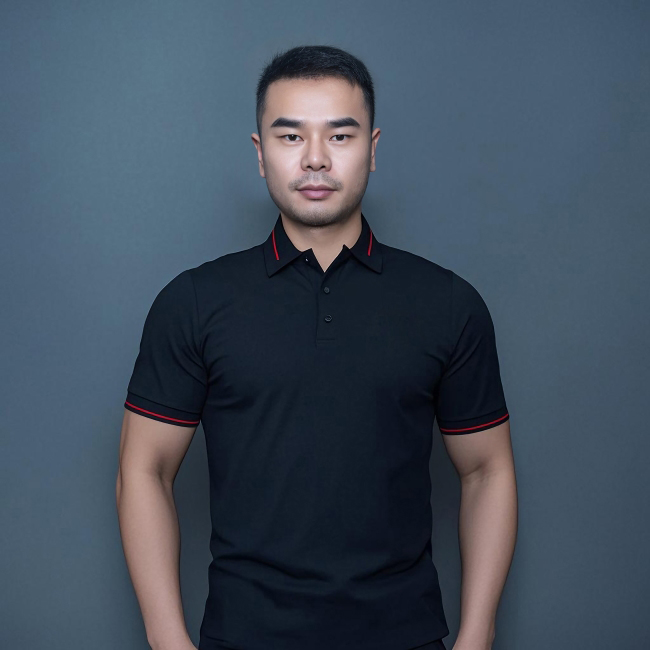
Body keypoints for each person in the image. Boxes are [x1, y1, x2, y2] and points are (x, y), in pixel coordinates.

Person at [116, 44, 517, 650]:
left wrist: (477, 637)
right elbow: (143, 469)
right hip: (243, 637)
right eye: (290, 136)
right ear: (260, 154)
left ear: (372, 149)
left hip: (404, 636)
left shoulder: (448, 303)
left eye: (340, 135)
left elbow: (488, 470)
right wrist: (168, 641)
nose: (315, 158)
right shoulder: (194, 301)